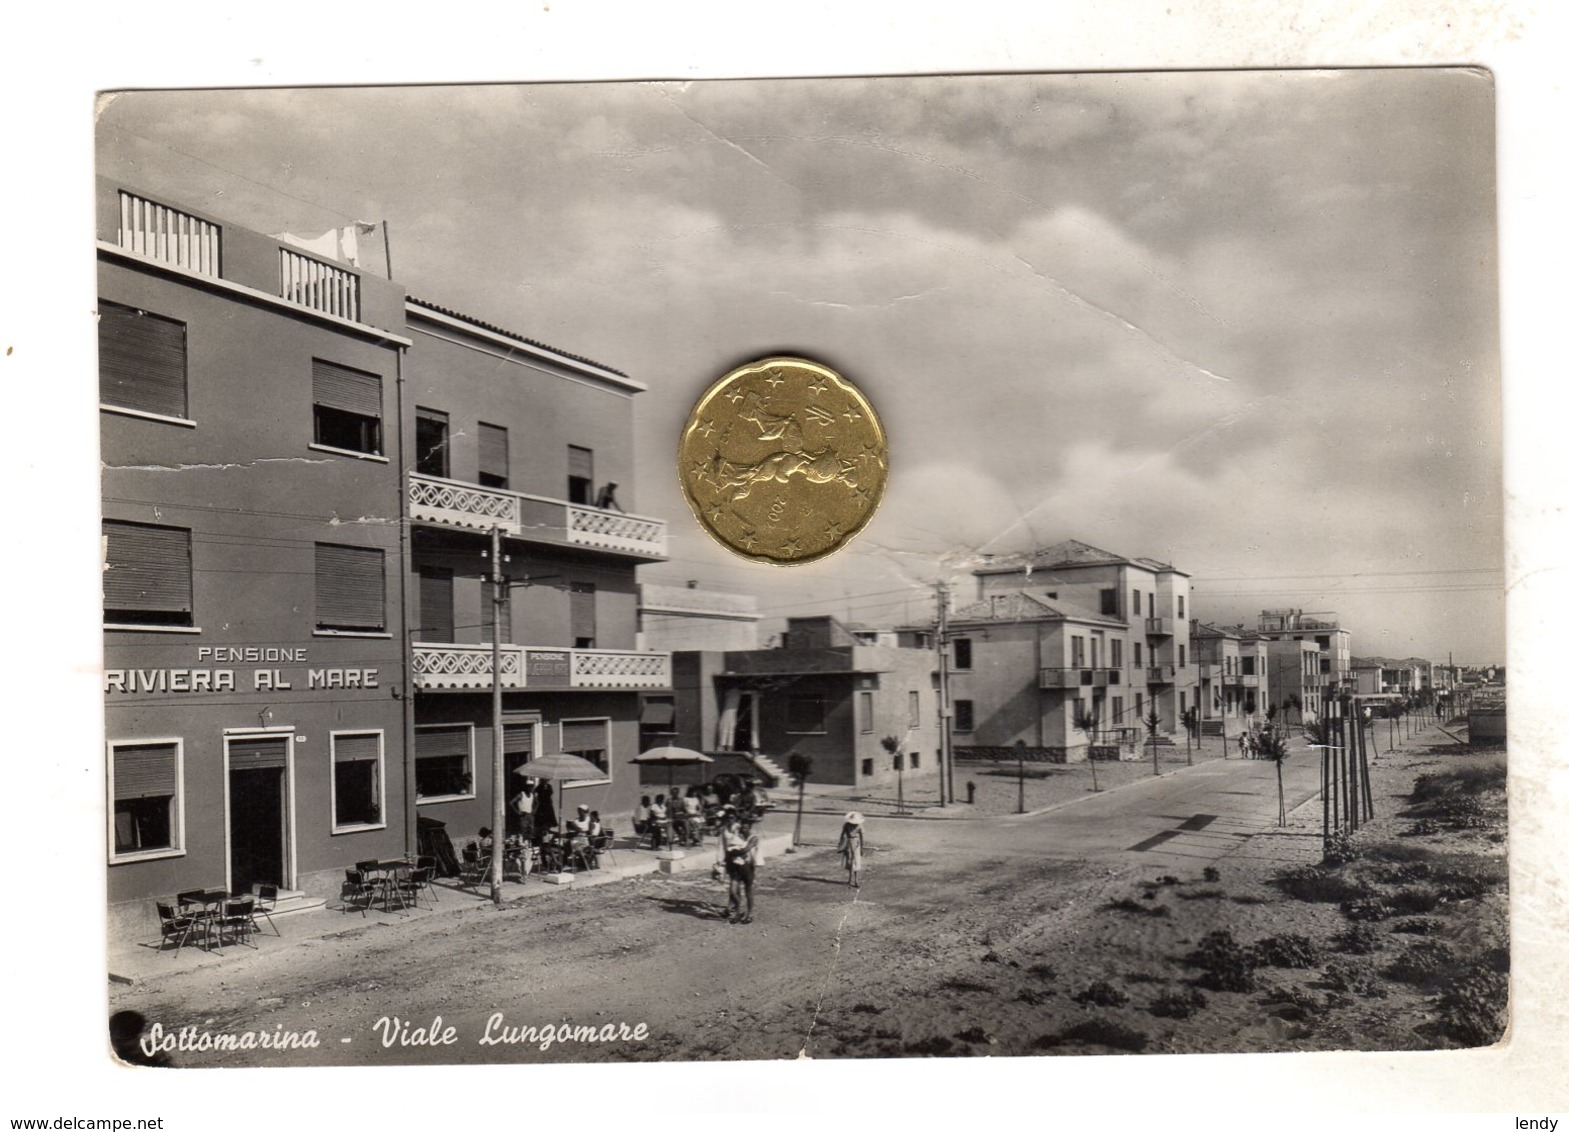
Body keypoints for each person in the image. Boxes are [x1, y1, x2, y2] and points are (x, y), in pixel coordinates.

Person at [720, 812, 759, 924]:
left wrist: (733, 852)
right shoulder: (737, 836)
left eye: (746, 827)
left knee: (748, 891)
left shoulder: (754, 838)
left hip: (748, 867)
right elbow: (729, 848)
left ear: (750, 827)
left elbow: (745, 850)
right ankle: (738, 911)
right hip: (735, 867)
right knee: (733, 891)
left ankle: (749, 914)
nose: (744, 829)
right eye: (743, 827)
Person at [837, 811, 865, 888]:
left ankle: (856, 880)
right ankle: (849, 879)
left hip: (856, 844)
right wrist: (841, 844)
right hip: (848, 843)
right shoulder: (846, 825)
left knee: (856, 861)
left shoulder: (859, 826)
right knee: (849, 861)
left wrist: (862, 848)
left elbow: (862, 837)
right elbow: (842, 834)